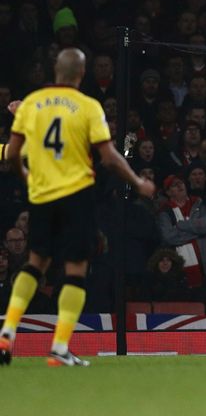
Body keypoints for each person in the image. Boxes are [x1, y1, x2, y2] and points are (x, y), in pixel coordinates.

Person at [0, 48, 155, 366]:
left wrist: (25, 175)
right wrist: (138, 183)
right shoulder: (87, 106)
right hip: (76, 196)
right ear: (81, 75)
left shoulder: (31, 103)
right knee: (76, 270)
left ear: (55, 70)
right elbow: (109, 156)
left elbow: (13, 154)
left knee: (34, 263)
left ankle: (8, 331)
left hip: (41, 195)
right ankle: (59, 348)